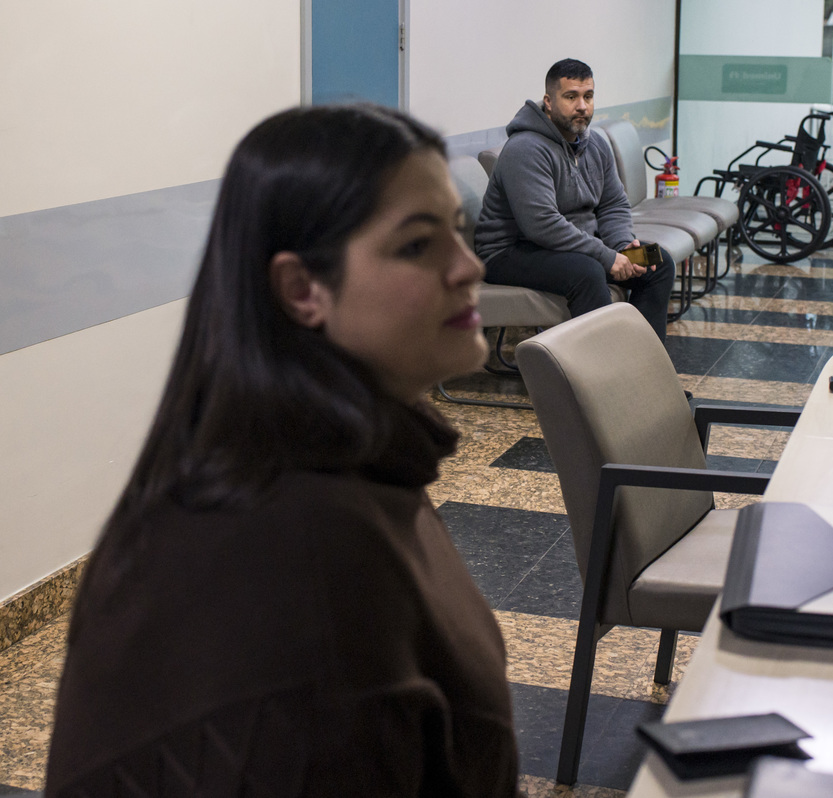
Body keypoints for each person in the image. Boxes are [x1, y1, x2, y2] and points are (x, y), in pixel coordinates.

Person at [44, 105, 522, 797]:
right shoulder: (306, 545)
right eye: (418, 245)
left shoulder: (359, 460)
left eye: (456, 227)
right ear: (302, 290)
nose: (468, 265)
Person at [473, 58, 676, 342]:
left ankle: (644, 361)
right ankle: (602, 366)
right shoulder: (525, 149)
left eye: (588, 96)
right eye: (571, 97)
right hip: (510, 251)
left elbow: (613, 204)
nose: (582, 106)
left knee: (657, 261)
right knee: (587, 272)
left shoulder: (595, 144)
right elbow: (542, 224)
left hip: (569, 246)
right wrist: (607, 257)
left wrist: (621, 245)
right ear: (549, 102)